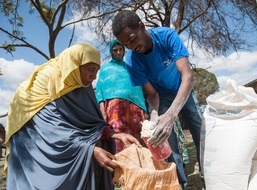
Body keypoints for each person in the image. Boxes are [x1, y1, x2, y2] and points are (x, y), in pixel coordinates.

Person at [4, 43, 141, 190]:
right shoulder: (47, 81)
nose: (94, 77)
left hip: (67, 138)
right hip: (33, 140)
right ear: (75, 65)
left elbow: (92, 121)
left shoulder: (82, 84)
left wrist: (114, 134)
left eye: (96, 71)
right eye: (90, 69)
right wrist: (90, 150)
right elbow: (52, 130)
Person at [112, 10, 203, 189]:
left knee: (199, 130)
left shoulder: (167, 36)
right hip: (161, 96)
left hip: (182, 88)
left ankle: (207, 177)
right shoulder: (132, 61)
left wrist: (171, 115)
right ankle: (180, 185)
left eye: (132, 39)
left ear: (141, 26)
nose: (130, 46)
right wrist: (155, 117)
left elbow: (187, 77)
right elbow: (152, 94)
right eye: (125, 44)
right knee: (166, 142)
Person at [96, 39, 148, 153]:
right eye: (115, 50)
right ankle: (122, 169)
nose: (118, 53)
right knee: (119, 141)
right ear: (111, 52)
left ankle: (142, 169)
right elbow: (99, 89)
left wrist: (144, 109)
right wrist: (102, 110)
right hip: (115, 109)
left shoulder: (130, 67)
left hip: (135, 107)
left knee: (139, 140)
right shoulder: (105, 68)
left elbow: (138, 88)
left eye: (120, 49)